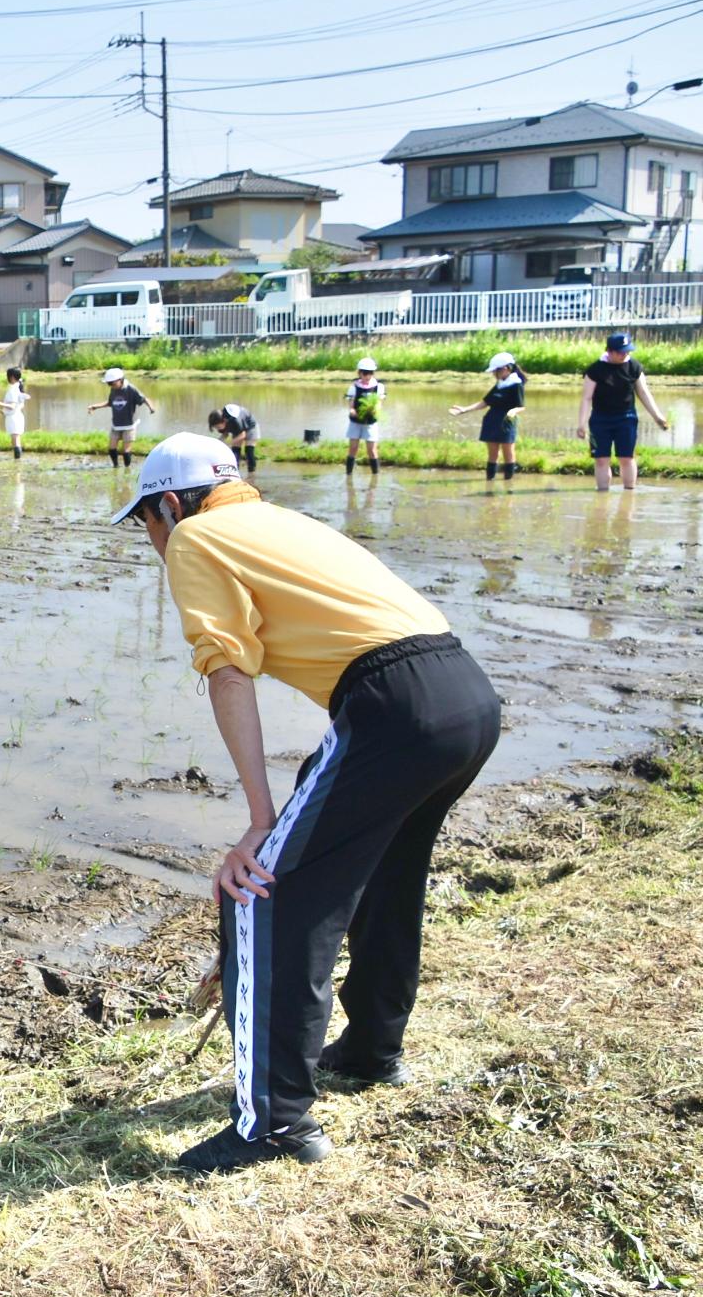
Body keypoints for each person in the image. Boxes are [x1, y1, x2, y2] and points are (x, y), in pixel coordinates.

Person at [110, 433, 499, 1173]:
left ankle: (275, 1125)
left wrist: (259, 824)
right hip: (464, 694)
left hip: (394, 706)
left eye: (145, 524)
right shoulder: (283, 521)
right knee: (385, 872)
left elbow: (228, 674)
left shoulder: (196, 537)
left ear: (169, 504)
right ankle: (372, 1048)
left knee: (258, 892)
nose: (151, 540)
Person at [578, 332, 669, 492]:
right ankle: (602, 495)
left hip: (626, 418)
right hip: (600, 420)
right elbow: (587, 398)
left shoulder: (634, 367)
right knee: (601, 459)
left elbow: (643, 393)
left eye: (627, 351)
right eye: (621, 351)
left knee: (626, 457)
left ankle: (629, 494)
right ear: (609, 351)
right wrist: (581, 424)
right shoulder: (595, 370)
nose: (625, 354)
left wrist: (657, 416)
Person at [450, 352, 525, 482]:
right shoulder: (499, 385)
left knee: (508, 452)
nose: (494, 374)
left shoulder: (516, 384)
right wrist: (465, 409)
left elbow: (521, 406)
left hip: (506, 422)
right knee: (492, 453)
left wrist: (513, 411)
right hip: (492, 420)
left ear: (507, 368)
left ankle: (508, 483)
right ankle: (489, 481)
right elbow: (485, 402)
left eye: (496, 371)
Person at [88, 367, 152, 468]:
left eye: (112, 383)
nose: (110, 386)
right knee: (111, 448)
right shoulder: (113, 390)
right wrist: (95, 406)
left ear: (120, 380)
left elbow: (143, 399)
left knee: (126, 451)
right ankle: (116, 466)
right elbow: (110, 403)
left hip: (129, 425)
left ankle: (127, 468)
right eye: (109, 384)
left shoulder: (130, 389)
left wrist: (151, 408)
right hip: (116, 424)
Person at [343, 358, 385, 477]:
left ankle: (375, 476)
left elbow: (379, 403)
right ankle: (348, 475)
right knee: (353, 448)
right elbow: (351, 403)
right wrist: (352, 410)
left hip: (370, 422)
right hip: (356, 422)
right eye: (365, 373)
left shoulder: (378, 386)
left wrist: (375, 410)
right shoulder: (353, 387)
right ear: (359, 373)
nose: (368, 376)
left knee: (372, 450)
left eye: (370, 373)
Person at [207, 403, 261, 473]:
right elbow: (225, 434)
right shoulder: (223, 419)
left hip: (251, 427)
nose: (218, 429)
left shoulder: (235, 420)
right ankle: (235, 471)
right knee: (235, 451)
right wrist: (218, 443)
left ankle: (251, 473)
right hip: (237, 429)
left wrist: (228, 444)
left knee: (249, 451)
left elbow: (242, 435)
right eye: (216, 427)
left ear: (224, 421)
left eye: (218, 427)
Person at [0, 366, 31, 461]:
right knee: (15, 441)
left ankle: (17, 462)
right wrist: (3, 411)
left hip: (14, 419)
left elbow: (12, 406)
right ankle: (17, 461)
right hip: (16, 417)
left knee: (16, 441)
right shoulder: (18, 388)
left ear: (12, 377)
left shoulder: (13, 389)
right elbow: (19, 406)